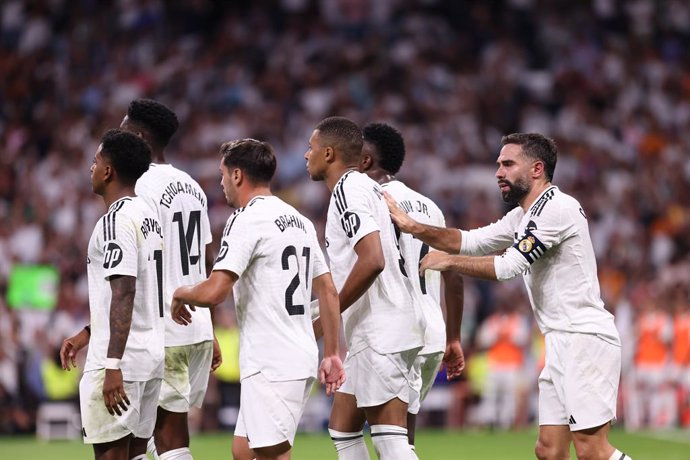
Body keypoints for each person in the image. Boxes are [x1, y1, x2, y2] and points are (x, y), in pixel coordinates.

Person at [386, 133, 631, 460]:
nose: (498, 172)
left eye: (508, 164)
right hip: (561, 341)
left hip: (584, 339)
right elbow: (470, 241)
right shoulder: (524, 216)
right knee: (548, 450)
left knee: (592, 451)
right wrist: (413, 226)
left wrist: (447, 261)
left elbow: (508, 266)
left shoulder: (557, 208)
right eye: (498, 164)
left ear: (536, 169)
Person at [170, 139, 345, 460]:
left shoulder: (245, 220)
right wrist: (331, 351)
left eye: (223, 174)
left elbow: (215, 291)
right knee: (243, 450)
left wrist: (182, 292)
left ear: (237, 175)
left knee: (271, 454)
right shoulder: (300, 221)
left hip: (272, 360)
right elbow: (328, 290)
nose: (221, 183)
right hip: (291, 354)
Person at [304, 116, 425, 460]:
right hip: (386, 324)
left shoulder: (347, 188)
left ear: (328, 153)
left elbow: (372, 259)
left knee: (390, 440)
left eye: (310, 148)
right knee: (343, 428)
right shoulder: (369, 188)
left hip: (381, 329)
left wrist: (330, 313)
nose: (305, 155)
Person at [121, 98, 221, 460]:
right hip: (194, 328)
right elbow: (205, 261)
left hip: (161, 326)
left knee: (155, 435)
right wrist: (209, 328)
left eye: (123, 129)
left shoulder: (139, 185)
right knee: (161, 432)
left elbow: (140, 260)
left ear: (138, 136)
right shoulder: (192, 186)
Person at [359, 122, 465, 456]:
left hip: (391, 329)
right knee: (404, 439)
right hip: (431, 330)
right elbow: (453, 274)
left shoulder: (366, 200)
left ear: (364, 159)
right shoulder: (429, 206)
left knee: (383, 440)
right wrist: (454, 337)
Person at [61, 129, 165, 460]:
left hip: (122, 361)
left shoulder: (116, 220)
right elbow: (137, 292)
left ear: (108, 171)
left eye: (95, 161)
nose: (90, 168)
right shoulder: (149, 216)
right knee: (136, 455)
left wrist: (112, 365)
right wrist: (88, 333)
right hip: (149, 355)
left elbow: (125, 292)